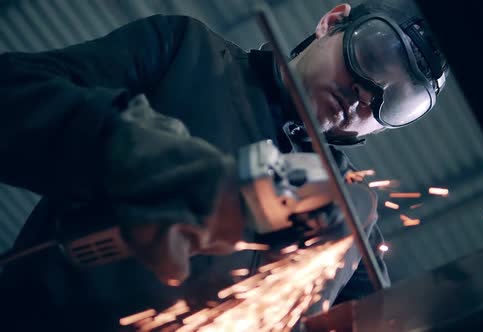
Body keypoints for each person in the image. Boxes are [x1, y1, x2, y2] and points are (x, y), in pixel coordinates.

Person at [0, 0, 448, 330]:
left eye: (395, 102)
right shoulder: (186, 53)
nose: (365, 94)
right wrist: (165, 167)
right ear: (333, 23)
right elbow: (13, 93)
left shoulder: (354, 224)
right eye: (373, 58)